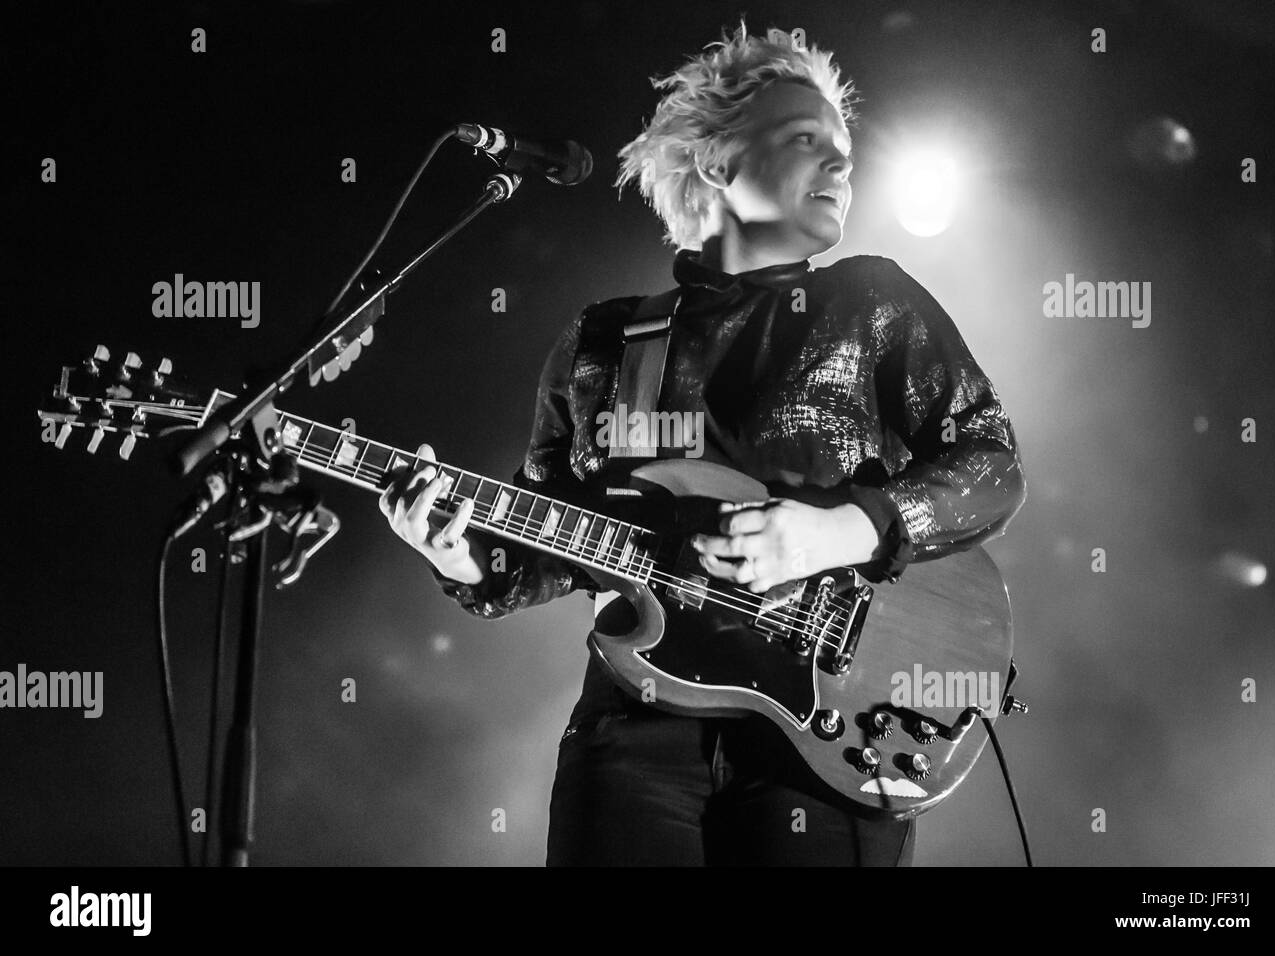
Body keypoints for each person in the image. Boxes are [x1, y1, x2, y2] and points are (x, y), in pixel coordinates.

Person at [379, 20, 1027, 866]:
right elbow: (546, 541)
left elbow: (991, 463)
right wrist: (460, 554)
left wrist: (844, 530)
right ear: (718, 162)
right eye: (807, 140)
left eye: (845, 152)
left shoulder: (871, 302)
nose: (840, 165)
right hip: (634, 732)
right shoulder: (607, 341)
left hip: (826, 734)